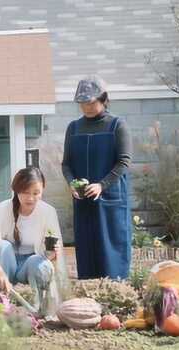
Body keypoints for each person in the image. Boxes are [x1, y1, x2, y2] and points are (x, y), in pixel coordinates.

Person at [61, 75, 132, 280]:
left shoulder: (118, 125)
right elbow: (66, 165)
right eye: (82, 103)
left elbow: (124, 162)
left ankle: (115, 296)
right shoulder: (73, 128)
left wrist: (102, 185)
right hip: (83, 202)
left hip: (111, 202)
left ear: (103, 99)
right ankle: (89, 302)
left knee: (113, 255)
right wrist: (71, 184)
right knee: (86, 254)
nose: (87, 107)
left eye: (91, 102)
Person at [0, 167, 67, 314]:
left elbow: (48, 256)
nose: (30, 198)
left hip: (30, 265)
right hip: (6, 263)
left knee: (40, 263)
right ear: (16, 190)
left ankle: (38, 307)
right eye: (25, 192)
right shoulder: (2, 209)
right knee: (3, 246)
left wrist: (52, 255)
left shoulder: (48, 212)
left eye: (36, 193)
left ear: (42, 190)